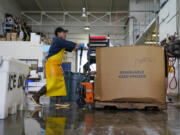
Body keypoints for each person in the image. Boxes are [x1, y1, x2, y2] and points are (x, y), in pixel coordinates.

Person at [31, 27, 84, 107]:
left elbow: (71, 48)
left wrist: (76, 47)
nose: (65, 34)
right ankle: (36, 96)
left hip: (57, 65)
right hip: (52, 64)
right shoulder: (58, 40)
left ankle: (59, 102)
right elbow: (70, 44)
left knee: (60, 83)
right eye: (64, 32)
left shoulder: (61, 43)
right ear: (59, 33)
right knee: (52, 83)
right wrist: (78, 44)